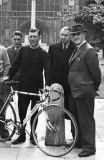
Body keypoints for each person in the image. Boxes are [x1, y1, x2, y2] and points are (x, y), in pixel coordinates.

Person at [2, 28, 51, 145]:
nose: (32, 39)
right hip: (23, 86)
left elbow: (48, 70)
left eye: (35, 37)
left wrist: (48, 84)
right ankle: (22, 135)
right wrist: (8, 76)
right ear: (28, 38)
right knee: (22, 112)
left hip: (36, 87)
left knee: (34, 113)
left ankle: (33, 136)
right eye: (31, 37)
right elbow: (15, 65)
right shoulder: (23, 50)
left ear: (39, 38)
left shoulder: (43, 53)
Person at [69, 24, 101, 157]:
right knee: (76, 118)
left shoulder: (89, 50)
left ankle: (89, 147)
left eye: (78, 34)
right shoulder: (78, 48)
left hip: (84, 91)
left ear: (84, 35)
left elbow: (96, 74)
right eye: (74, 34)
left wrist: (92, 87)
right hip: (75, 90)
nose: (76, 36)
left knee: (86, 119)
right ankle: (79, 141)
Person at [0, 31, 23, 133]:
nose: (16, 41)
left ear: (21, 39)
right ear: (12, 39)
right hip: (9, 81)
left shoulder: (25, 50)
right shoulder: (7, 50)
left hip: (21, 81)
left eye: (18, 39)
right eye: (15, 39)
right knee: (4, 104)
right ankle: (2, 124)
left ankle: (20, 125)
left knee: (21, 105)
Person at [48, 26, 76, 113]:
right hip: (56, 84)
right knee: (56, 111)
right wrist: (48, 83)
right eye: (62, 35)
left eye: (66, 35)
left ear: (70, 36)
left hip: (69, 84)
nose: (63, 37)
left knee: (71, 111)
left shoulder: (75, 48)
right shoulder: (53, 48)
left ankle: (73, 127)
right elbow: (49, 67)